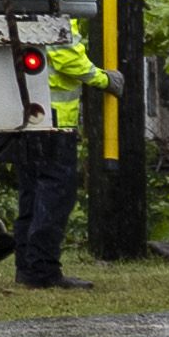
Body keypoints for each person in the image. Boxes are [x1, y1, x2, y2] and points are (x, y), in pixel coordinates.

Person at [16, 18, 110, 285]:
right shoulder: (57, 16)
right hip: (55, 121)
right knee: (55, 193)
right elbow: (68, 58)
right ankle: (42, 270)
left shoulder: (23, 13)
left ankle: (27, 266)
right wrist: (104, 79)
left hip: (29, 119)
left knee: (32, 192)